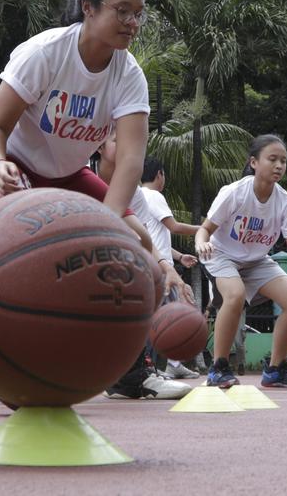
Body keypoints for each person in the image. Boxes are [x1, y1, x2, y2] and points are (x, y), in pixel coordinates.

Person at [0, 0, 186, 403]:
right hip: (8, 164)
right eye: (123, 10)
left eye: (140, 13)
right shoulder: (45, 53)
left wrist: (108, 223)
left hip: (69, 175)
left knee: (139, 250)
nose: (133, 22)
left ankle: (129, 372)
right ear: (89, 8)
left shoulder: (128, 74)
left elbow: (131, 159)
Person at [195, 134, 287, 389]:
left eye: (283, 160)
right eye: (272, 159)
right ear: (254, 162)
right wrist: (201, 242)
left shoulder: (284, 201)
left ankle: (276, 370)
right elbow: (204, 229)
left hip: (256, 260)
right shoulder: (235, 193)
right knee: (234, 295)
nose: (279, 165)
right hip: (222, 255)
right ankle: (218, 368)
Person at [95, 132, 193, 399]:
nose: (130, 145)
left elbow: (145, 239)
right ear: (100, 146)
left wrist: (169, 269)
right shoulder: (74, 176)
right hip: (70, 260)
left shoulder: (133, 193)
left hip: (107, 264)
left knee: (141, 276)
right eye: (118, 140)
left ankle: (131, 376)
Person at [136, 158, 202, 379]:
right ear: (159, 175)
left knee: (163, 315)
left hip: (152, 261)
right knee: (168, 318)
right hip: (161, 270)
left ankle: (171, 363)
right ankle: (153, 367)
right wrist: (204, 229)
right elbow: (173, 226)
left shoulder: (137, 195)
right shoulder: (154, 195)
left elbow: (154, 238)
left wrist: (179, 255)